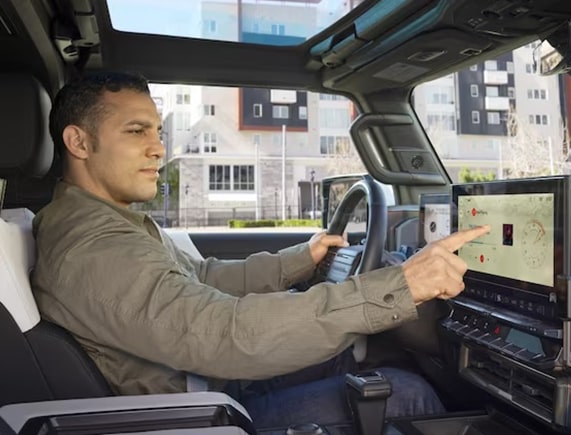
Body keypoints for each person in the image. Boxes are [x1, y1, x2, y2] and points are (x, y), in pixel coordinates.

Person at [31, 72, 490, 428]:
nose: (158, 148)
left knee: (356, 351)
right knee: (408, 393)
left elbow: (204, 279)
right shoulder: (92, 246)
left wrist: (299, 260)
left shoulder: (106, 221)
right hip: (202, 413)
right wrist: (400, 284)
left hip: (205, 378)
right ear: (79, 141)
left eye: (156, 130)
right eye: (136, 131)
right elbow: (226, 334)